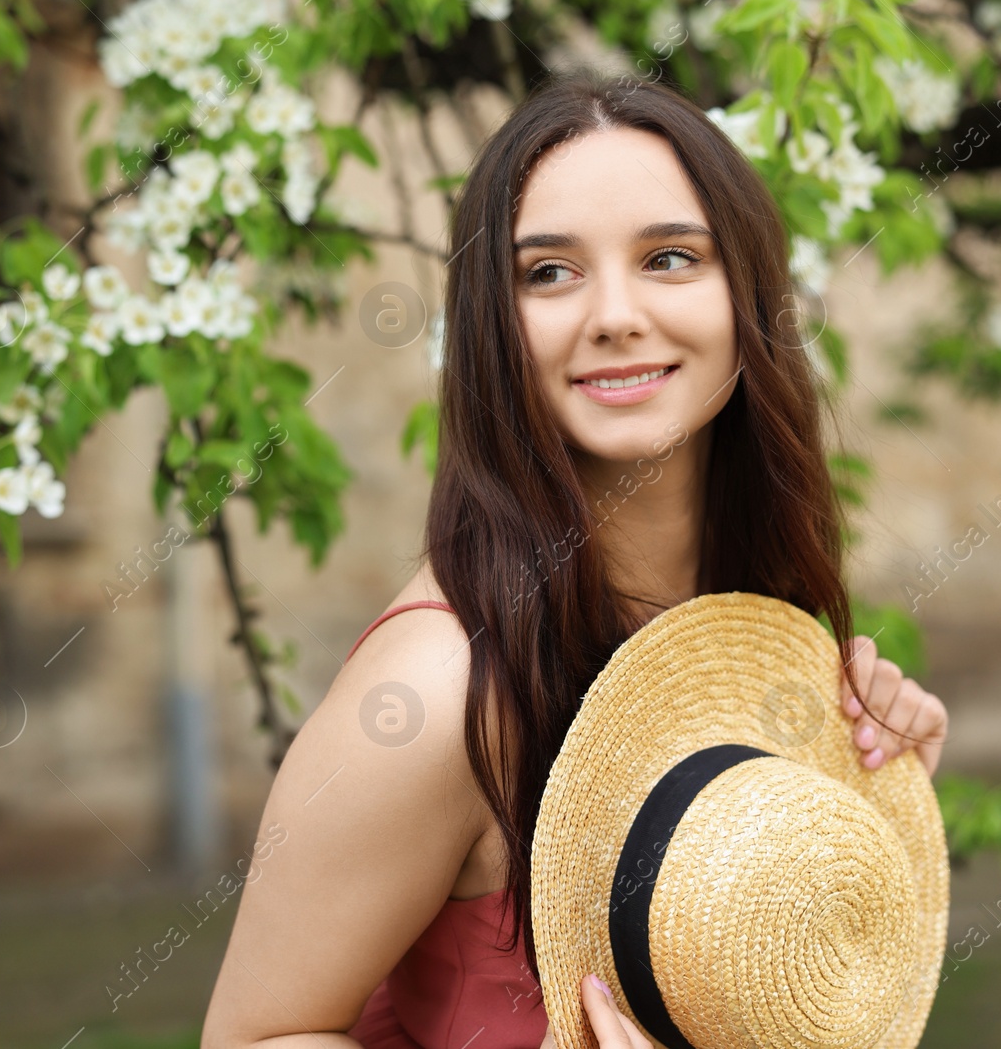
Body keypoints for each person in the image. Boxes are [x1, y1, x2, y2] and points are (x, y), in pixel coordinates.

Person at [199, 69, 949, 1049]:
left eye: (671, 258)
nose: (614, 315)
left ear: (748, 297)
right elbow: (251, 1038)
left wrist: (871, 806)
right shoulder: (440, 693)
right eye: (548, 272)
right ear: (492, 328)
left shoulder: (746, 624)